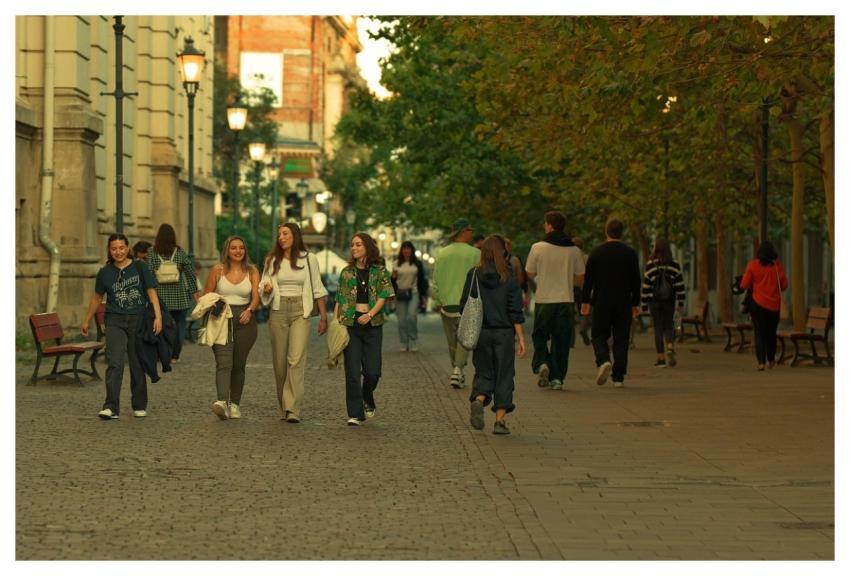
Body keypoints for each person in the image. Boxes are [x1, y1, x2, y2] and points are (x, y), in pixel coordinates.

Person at [81, 233, 163, 419]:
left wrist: (158, 317)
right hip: (114, 320)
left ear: (128, 249)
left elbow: (151, 292)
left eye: (121, 248)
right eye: (114, 248)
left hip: (138, 319)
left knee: (136, 363)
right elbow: (97, 298)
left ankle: (139, 404)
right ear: (109, 251)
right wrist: (86, 319)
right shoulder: (105, 272)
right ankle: (111, 407)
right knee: (115, 363)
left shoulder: (140, 267)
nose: (118, 252)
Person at [260, 223, 328, 423]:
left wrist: (323, 317)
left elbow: (317, 288)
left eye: (285, 233)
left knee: (295, 359)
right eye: (279, 234)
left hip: (301, 310)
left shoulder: (309, 259)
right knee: (280, 363)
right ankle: (284, 405)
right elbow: (263, 284)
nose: (281, 237)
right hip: (278, 311)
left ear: (295, 236)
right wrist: (266, 289)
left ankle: (293, 409)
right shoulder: (272, 260)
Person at [460, 236, 526, 435]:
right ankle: (500, 421)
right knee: (504, 375)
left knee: (484, 371)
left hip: (481, 332)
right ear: (502, 252)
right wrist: (521, 337)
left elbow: (464, 303)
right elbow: (515, 309)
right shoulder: (508, 275)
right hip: (504, 333)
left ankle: (479, 399)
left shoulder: (474, 274)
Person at [334, 232, 394, 426]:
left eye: (358, 244)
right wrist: (335, 322)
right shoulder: (346, 272)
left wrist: (370, 314)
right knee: (352, 371)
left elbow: (385, 295)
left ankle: (367, 396)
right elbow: (340, 299)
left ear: (367, 246)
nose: (354, 248)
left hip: (373, 324)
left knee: (372, 371)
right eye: (352, 245)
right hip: (351, 323)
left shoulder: (380, 271)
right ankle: (355, 413)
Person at [201, 235, 260, 420]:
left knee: (238, 365)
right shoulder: (217, 270)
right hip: (221, 319)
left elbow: (256, 297)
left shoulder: (252, 271)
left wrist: (250, 310)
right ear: (227, 250)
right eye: (234, 248)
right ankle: (221, 402)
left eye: (241, 248)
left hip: (245, 320)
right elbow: (207, 294)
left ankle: (234, 404)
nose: (238, 251)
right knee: (224, 362)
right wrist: (213, 306)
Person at [524, 211, 585, 391]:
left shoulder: (538, 247)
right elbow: (581, 278)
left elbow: (529, 273)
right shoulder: (574, 250)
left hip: (545, 299)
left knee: (540, 334)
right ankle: (557, 378)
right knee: (562, 339)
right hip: (566, 300)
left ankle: (542, 362)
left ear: (549, 226)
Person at [580, 218, 642, 388]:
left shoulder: (597, 252)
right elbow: (636, 280)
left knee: (598, 334)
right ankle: (618, 377)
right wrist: (635, 303)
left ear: (606, 232)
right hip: (623, 301)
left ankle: (603, 359)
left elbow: (589, 280)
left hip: (602, 300)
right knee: (621, 338)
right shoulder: (630, 253)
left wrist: (585, 300)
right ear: (621, 232)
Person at [432, 218, 481, 388]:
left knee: (452, 340)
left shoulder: (442, 254)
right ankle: (458, 369)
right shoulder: (475, 253)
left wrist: (439, 300)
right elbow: (479, 279)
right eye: (470, 230)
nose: (472, 233)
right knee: (464, 339)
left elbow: (435, 280)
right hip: (468, 302)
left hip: (447, 303)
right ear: (464, 232)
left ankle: (456, 371)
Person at [148, 223, 200, 363]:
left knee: (161, 325)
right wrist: (195, 293)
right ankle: (175, 355)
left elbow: (148, 275)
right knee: (179, 326)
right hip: (180, 296)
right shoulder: (180, 253)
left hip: (160, 297)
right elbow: (190, 274)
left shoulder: (152, 252)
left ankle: (162, 353)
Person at [739, 240, 788, 370]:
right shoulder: (777, 267)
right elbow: (784, 285)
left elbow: (744, 285)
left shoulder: (753, 265)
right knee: (771, 333)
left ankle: (761, 362)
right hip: (774, 306)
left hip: (757, 305)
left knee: (759, 333)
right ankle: (771, 360)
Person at [640, 238, 686, 368]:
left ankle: (660, 359)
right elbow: (679, 285)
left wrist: (644, 303)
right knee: (669, 325)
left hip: (654, 301)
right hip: (669, 300)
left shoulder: (650, 264)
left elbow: (646, 286)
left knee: (658, 328)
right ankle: (670, 347)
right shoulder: (674, 264)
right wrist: (681, 302)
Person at [391, 240, 429, 352]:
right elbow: (392, 281)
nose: (406, 250)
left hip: (414, 292)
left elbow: (422, 280)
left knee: (411, 316)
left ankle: (413, 339)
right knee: (401, 320)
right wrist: (391, 295)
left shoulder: (417, 264)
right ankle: (404, 341)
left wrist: (424, 296)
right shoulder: (396, 263)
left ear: (412, 250)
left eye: (408, 248)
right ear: (401, 250)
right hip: (400, 293)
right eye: (404, 248)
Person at [571, 237, 591, 346]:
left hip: (569, 288)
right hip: (582, 288)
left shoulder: (568, 256)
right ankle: (583, 328)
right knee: (584, 311)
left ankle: (571, 341)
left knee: (569, 314)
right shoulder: (586, 257)